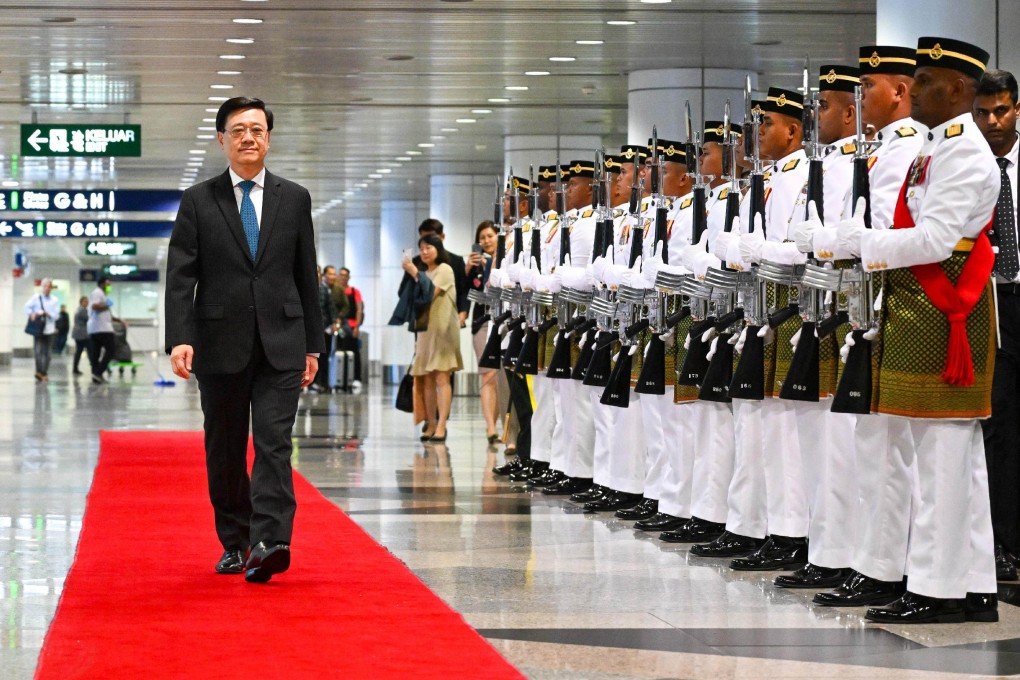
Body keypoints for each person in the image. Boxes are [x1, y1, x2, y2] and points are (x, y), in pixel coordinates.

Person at [165, 95, 323, 584]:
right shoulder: (198, 200)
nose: (248, 137)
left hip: (282, 341)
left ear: (268, 138)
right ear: (221, 140)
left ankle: (271, 540)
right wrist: (179, 338)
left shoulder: (293, 199)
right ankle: (235, 542)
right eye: (237, 130)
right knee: (227, 447)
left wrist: (313, 345)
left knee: (275, 442)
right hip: (218, 343)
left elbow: (305, 275)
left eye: (256, 129)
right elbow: (180, 276)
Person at [973, 68, 1020, 582]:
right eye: (983, 113)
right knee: (999, 423)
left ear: (1017, 109)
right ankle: (1000, 542)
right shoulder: (970, 168)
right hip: (991, 299)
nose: (993, 122)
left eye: (1001, 110)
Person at [403, 233, 463, 442]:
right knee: (425, 378)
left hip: (443, 331)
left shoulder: (445, 270)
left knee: (441, 377)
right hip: (425, 330)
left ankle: (442, 426)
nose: (425, 252)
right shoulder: (422, 272)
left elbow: (430, 293)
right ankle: (430, 423)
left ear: (438, 248)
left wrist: (414, 273)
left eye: (429, 247)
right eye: (422, 248)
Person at [467, 219, 500, 442]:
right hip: (482, 320)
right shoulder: (475, 265)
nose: (486, 241)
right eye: (482, 238)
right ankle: (490, 427)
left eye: (490, 236)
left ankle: (501, 423)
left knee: (501, 376)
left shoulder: (507, 257)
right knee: (487, 373)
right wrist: (468, 269)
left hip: (504, 319)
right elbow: (466, 291)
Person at [24, 278, 60, 382]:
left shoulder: (55, 300)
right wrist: (32, 314)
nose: (47, 288)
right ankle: (39, 371)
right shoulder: (36, 298)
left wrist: (48, 314)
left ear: (51, 288)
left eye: (49, 286)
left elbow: (57, 316)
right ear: (42, 287)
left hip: (49, 329)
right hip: (38, 329)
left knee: (47, 353)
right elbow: (26, 307)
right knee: (38, 351)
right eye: (45, 286)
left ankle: (44, 372)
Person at [336, 267, 364, 389]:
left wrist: (357, 326)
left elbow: (359, 309)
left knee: (354, 353)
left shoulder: (354, 291)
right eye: (341, 275)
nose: (343, 277)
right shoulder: (335, 291)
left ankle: (356, 378)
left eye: (345, 275)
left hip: (351, 326)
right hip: (338, 326)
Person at [87, 276, 116, 385]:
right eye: (108, 284)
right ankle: (98, 372)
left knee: (96, 353)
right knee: (111, 350)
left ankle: (96, 375)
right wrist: (106, 304)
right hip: (102, 328)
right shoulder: (97, 292)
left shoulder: (102, 294)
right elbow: (95, 306)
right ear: (103, 284)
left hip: (97, 328)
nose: (110, 286)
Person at [314, 265, 337, 393]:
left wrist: (334, 322)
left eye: (318, 272)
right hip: (310, 330)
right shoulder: (305, 288)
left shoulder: (325, 290)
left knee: (324, 357)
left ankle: (323, 382)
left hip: (324, 329)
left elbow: (331, 308)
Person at [71, 296, 91, 376]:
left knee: (79, 351)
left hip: (79, 334)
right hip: (81, 334)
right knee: (89, 350)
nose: (87, 303)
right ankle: (94, 367)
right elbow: (89, 319)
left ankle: (75, 368)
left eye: (87, 301)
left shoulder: (79, 309)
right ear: (81, 302)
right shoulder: (82, 311)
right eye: (85, 301)